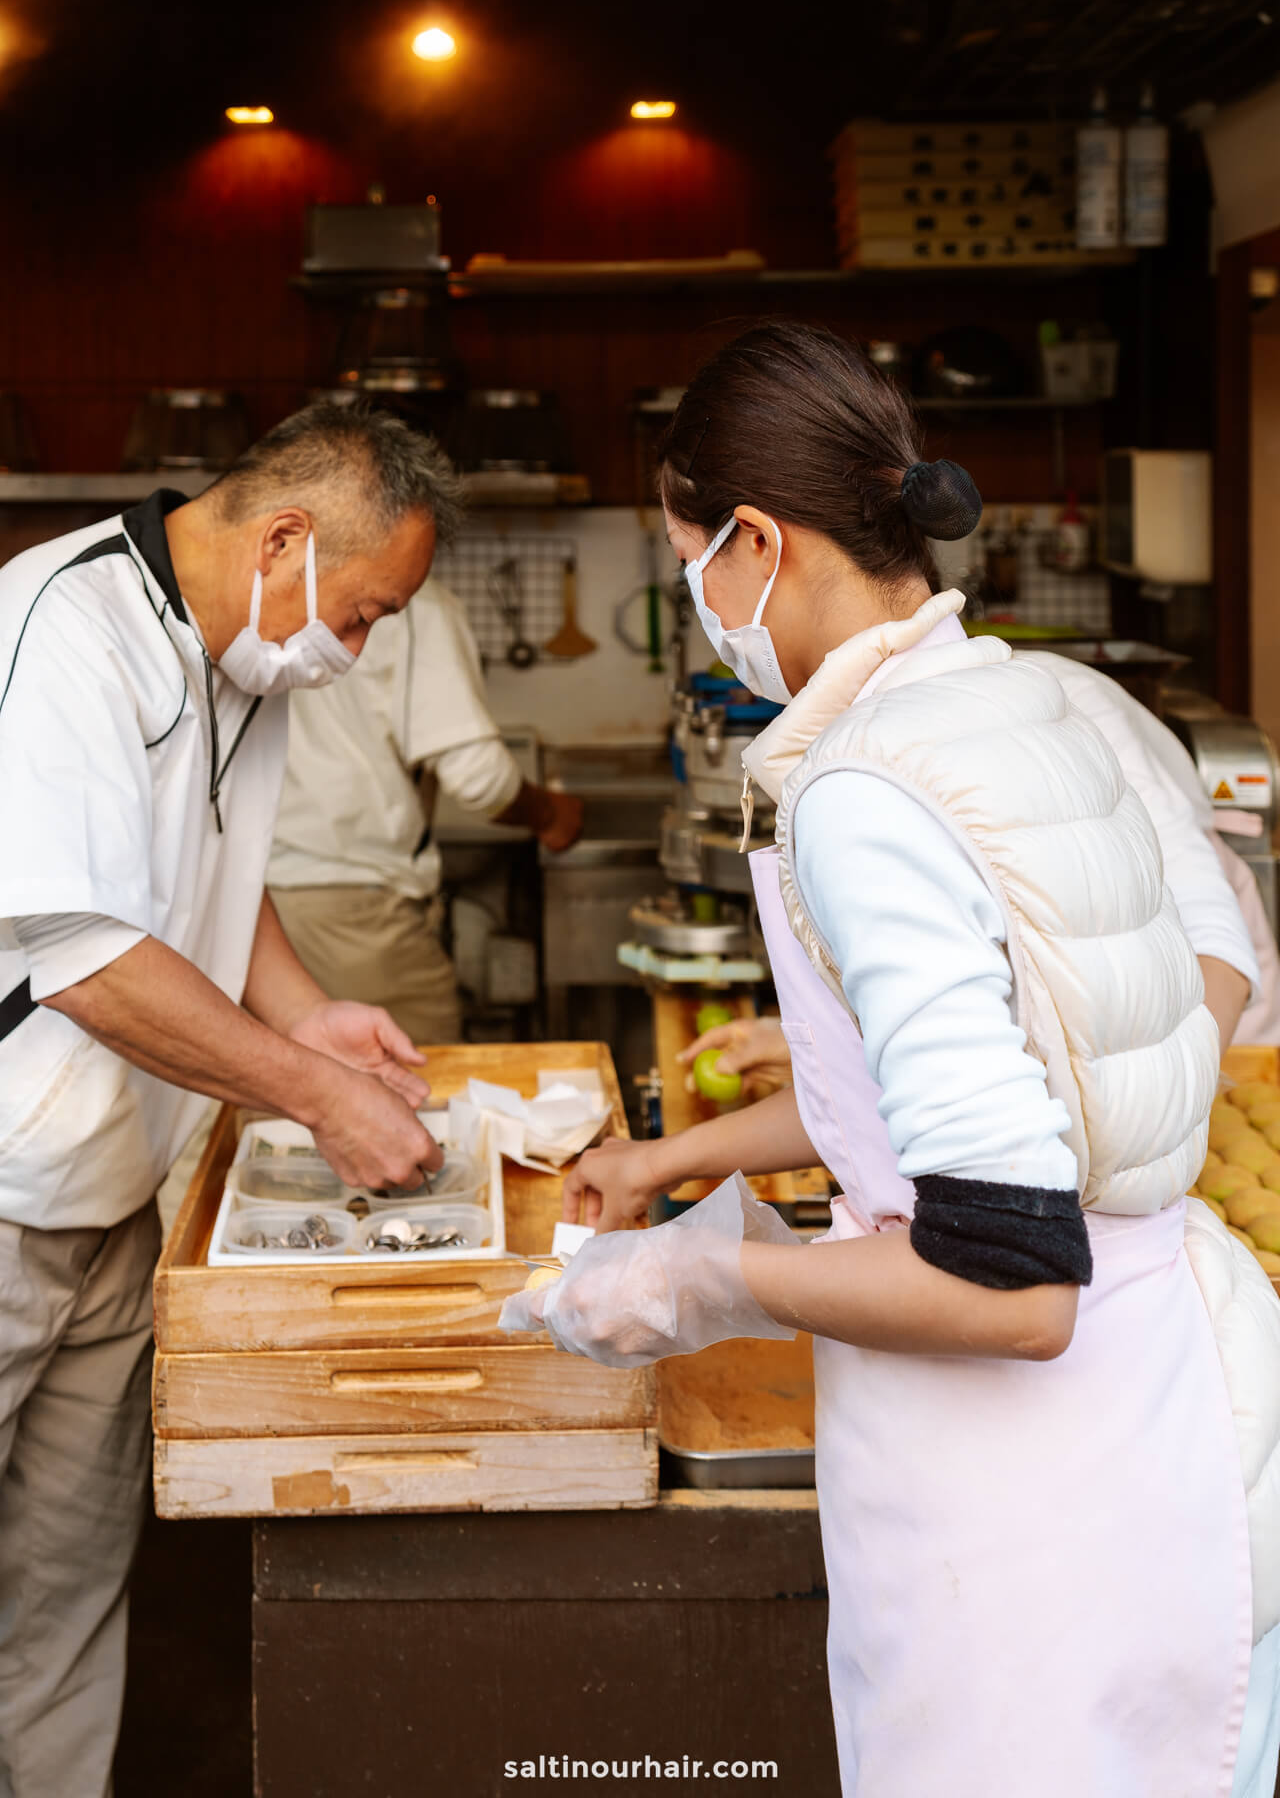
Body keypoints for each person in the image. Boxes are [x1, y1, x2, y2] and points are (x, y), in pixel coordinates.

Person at [505, 324, 1280, 1797]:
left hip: (1034, 1507)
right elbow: (1005, 1090)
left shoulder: (865, 792)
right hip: (1173, 1414)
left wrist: (701, 1280)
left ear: (757, 541)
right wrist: (676, 1167)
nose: (699, 606)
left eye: (692, 564)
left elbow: (1008, 1277)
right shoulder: (1016, 701)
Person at [0, 402, 456, 1798]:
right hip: (6, 1200)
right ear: (283, 540)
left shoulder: (247, 661)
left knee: (63, 1602)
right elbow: (83, 954)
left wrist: (303, 1009)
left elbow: (211, 869)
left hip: (119, 1193)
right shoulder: (61, 628)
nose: (359, 648)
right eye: (365, 613)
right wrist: (317, 1093)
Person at [666, 658, 1280, 1137]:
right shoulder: (893, 769)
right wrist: (807, 1041)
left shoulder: (1063, 710)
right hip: (1074, 1072)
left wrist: (1151, 1115)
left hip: (1214, 1031)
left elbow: (1215, 946)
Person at [268, 569, 583, 1044]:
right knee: (421, 1091)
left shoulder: (267, 590)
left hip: (256, 903)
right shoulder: (416, 604)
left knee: (286, 1098)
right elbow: (479, 778)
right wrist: (552, 816)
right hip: (357, 914)